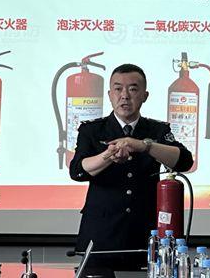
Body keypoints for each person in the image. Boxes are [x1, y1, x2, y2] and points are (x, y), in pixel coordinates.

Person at [69, 63, 194, 270]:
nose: (125, 96)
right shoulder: (92, 130)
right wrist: (108, 155)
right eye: (118, 89)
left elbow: (184, 161)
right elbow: (77, 171)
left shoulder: (156, 130)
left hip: (144, 236)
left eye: (133, 89)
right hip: (101, 236)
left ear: (145, 96)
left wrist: (144, 146)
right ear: (110, 95)